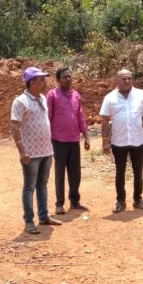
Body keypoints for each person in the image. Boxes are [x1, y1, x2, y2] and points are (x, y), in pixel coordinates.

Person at [100, 69, 143, 213]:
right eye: (123, 79)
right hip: (118, 141)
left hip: (137, 139)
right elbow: (104, 120)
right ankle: (120, 201)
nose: (127, 81)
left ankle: (138, 199)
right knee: (120, 172)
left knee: (138, 171)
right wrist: (105, 141)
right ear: (117, 80)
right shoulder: (110, 98)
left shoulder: (140, 94)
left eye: (129, 78)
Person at [10, 67, 63, 234]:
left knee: (43, 185)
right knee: (29, 187)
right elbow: (15, 127)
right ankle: (29, 221)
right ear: (32, 83)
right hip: (31, 153)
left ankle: (43, 216)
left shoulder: (42, 98)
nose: (44, 82)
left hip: (46, 150)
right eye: (41, 80)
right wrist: (22, 151)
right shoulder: (20, 102)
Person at [46, 67, 90, 214]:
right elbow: (48, 118)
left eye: (70, 76)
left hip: (74, 140)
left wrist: (86, 135)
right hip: (58, 140)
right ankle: (59, 204)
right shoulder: (52, 95)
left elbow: (80, 116)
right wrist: (47, 138)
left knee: (75, 172)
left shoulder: (76, 95)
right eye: (65, 77)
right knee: (60, 173)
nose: (68, 79)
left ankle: (75, 201)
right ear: (58, 80)